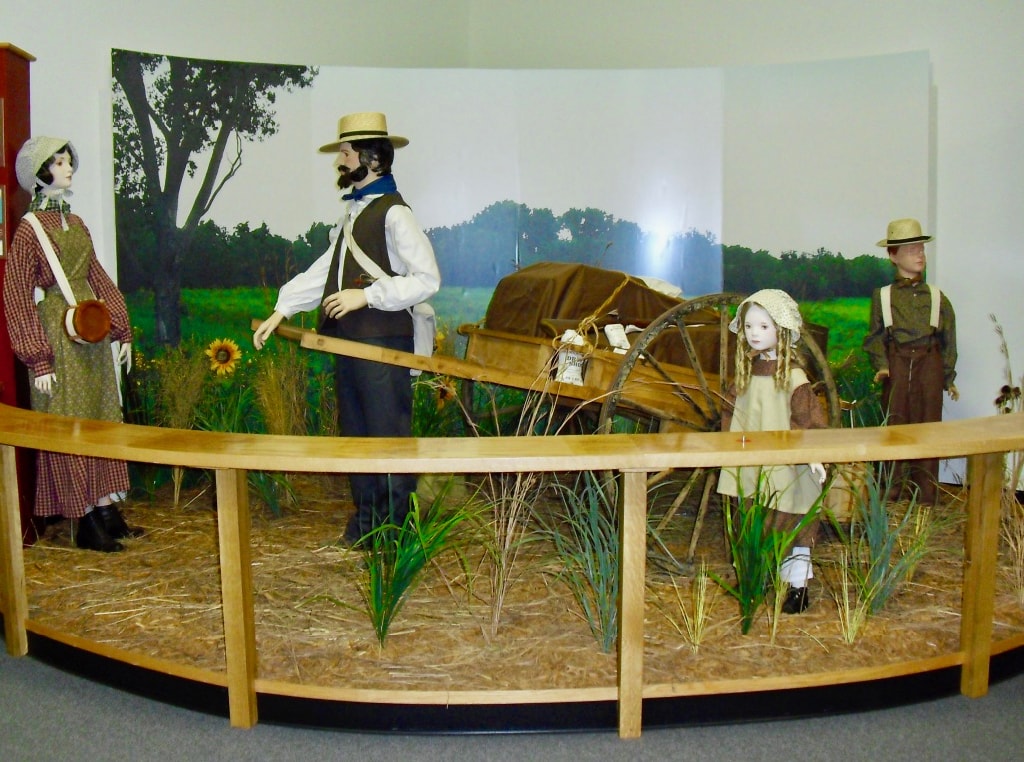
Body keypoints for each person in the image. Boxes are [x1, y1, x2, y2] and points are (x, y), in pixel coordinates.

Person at [253, 112, 440, 546]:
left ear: (371, 158)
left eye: (345, 151)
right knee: (358, 438)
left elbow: (427, 279)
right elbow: (327, 270)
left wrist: (367, 296)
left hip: (382, 344)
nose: (339, 159)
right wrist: (282, 309)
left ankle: (394, 536)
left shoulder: (395, 214)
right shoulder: (355, 215)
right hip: (351, 344)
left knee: (387, 439)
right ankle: (367, 527)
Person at [4, 136, 137, 552]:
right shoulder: (29, 230)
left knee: (100, 412)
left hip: (91, 326)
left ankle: (104, 506)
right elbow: (16, 293)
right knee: (68, 419)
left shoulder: (75, 223)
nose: (67, 168)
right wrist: (37, 359)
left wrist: (121, 327)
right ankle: (82, 519)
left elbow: (96, 274)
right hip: (57, 333)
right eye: (58, 162)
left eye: (67, 161)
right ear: (40, 173)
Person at [717, 289, 828, 614]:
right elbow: (730, 416)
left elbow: (808, 421)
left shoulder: (794, 379)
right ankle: (756, 575)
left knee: (792, 523)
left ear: (781, 330)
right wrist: (728, 450)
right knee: (754, 518)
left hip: (787, 468)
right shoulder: (746, 376)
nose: (754, 333)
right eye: (750, 326)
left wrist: (813, 457)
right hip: (753, 466)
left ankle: (798, 588)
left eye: (764, 327)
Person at [862, 218, 958, 506]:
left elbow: (949, 340)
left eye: (921, 249)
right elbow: (875, 336)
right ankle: (888, 494)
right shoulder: (883, 296)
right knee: (894, 426)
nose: (919, 255)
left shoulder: (938, 297)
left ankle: (926, 495)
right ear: (893, 256)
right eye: (911, 250)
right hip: (897, 363)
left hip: (930, 362)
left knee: (929, 427)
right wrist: (881, 364)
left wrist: (947, 377)